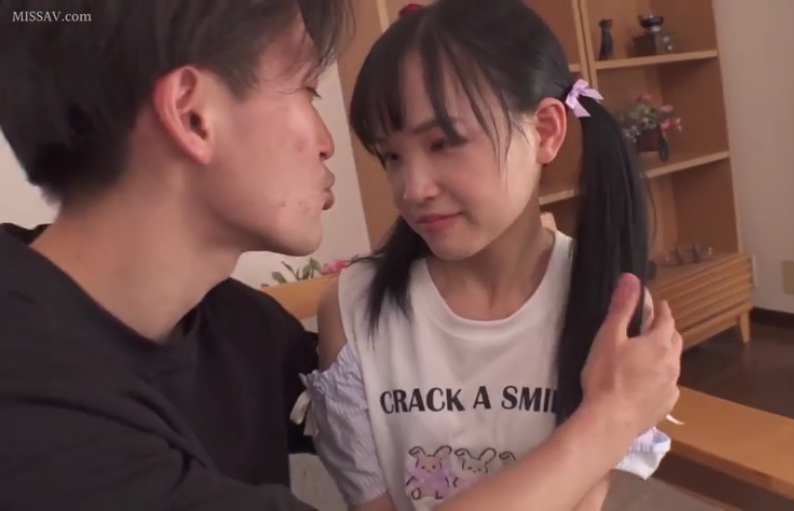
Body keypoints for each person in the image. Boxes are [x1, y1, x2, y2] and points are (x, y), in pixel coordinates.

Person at [0, 1, 678, 510]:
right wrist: (609, 419)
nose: (329, 143)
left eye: (443, 141)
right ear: (194, 113)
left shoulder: (242, 333)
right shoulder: (33, 412)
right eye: (306, 89)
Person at [302, 1, 682, 510]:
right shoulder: (353, 309)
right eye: (391, 155)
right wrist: (607, 418)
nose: (412, 188)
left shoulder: (609, 309)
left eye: (443, 143)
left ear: (545, 131)